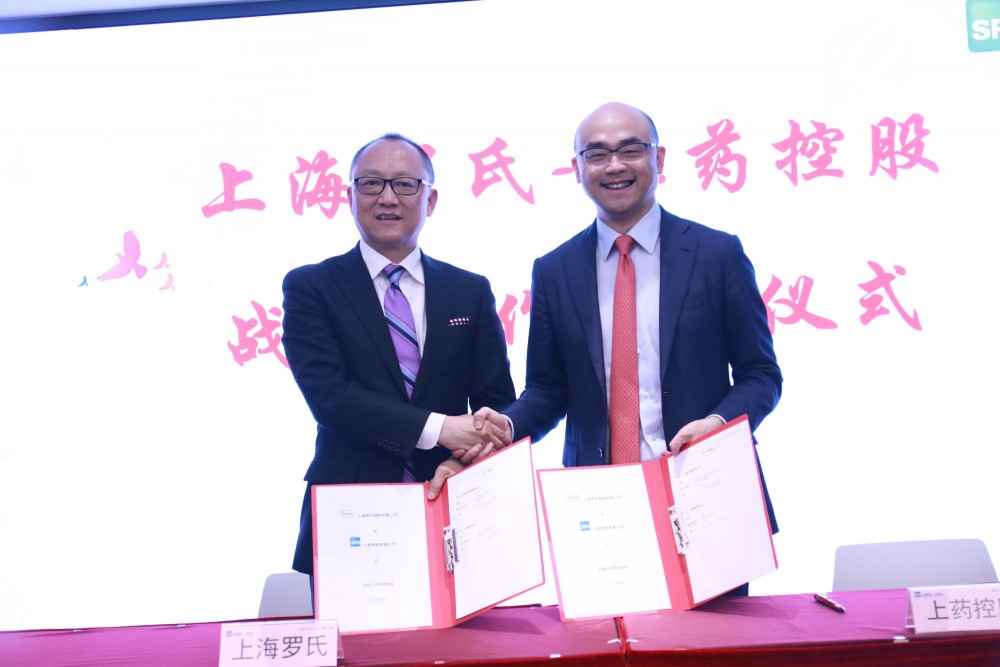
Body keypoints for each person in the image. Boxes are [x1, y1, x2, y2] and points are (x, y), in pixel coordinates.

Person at [476, 102, 782, 595]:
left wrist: (718, 425)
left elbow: (760, 375)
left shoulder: (717, 253)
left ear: (659, 159)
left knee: (717, 638)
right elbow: (549, 388)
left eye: (630, 150)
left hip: (705, 492)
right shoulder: (554, 269)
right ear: (577, 169)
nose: (614, 165)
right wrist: (508, 426)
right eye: (597, 154)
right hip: (598, 508)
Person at [282, 133, 516, 578]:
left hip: (455, 498)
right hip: (349, 509)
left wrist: (463, 458)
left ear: (431, 200)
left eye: (405, 184)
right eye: (371, 183)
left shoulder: (469, 290)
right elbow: (330, 398)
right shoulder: (311, 287)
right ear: (349, 197)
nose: (387, 197)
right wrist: (441, 429)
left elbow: (497, 404)